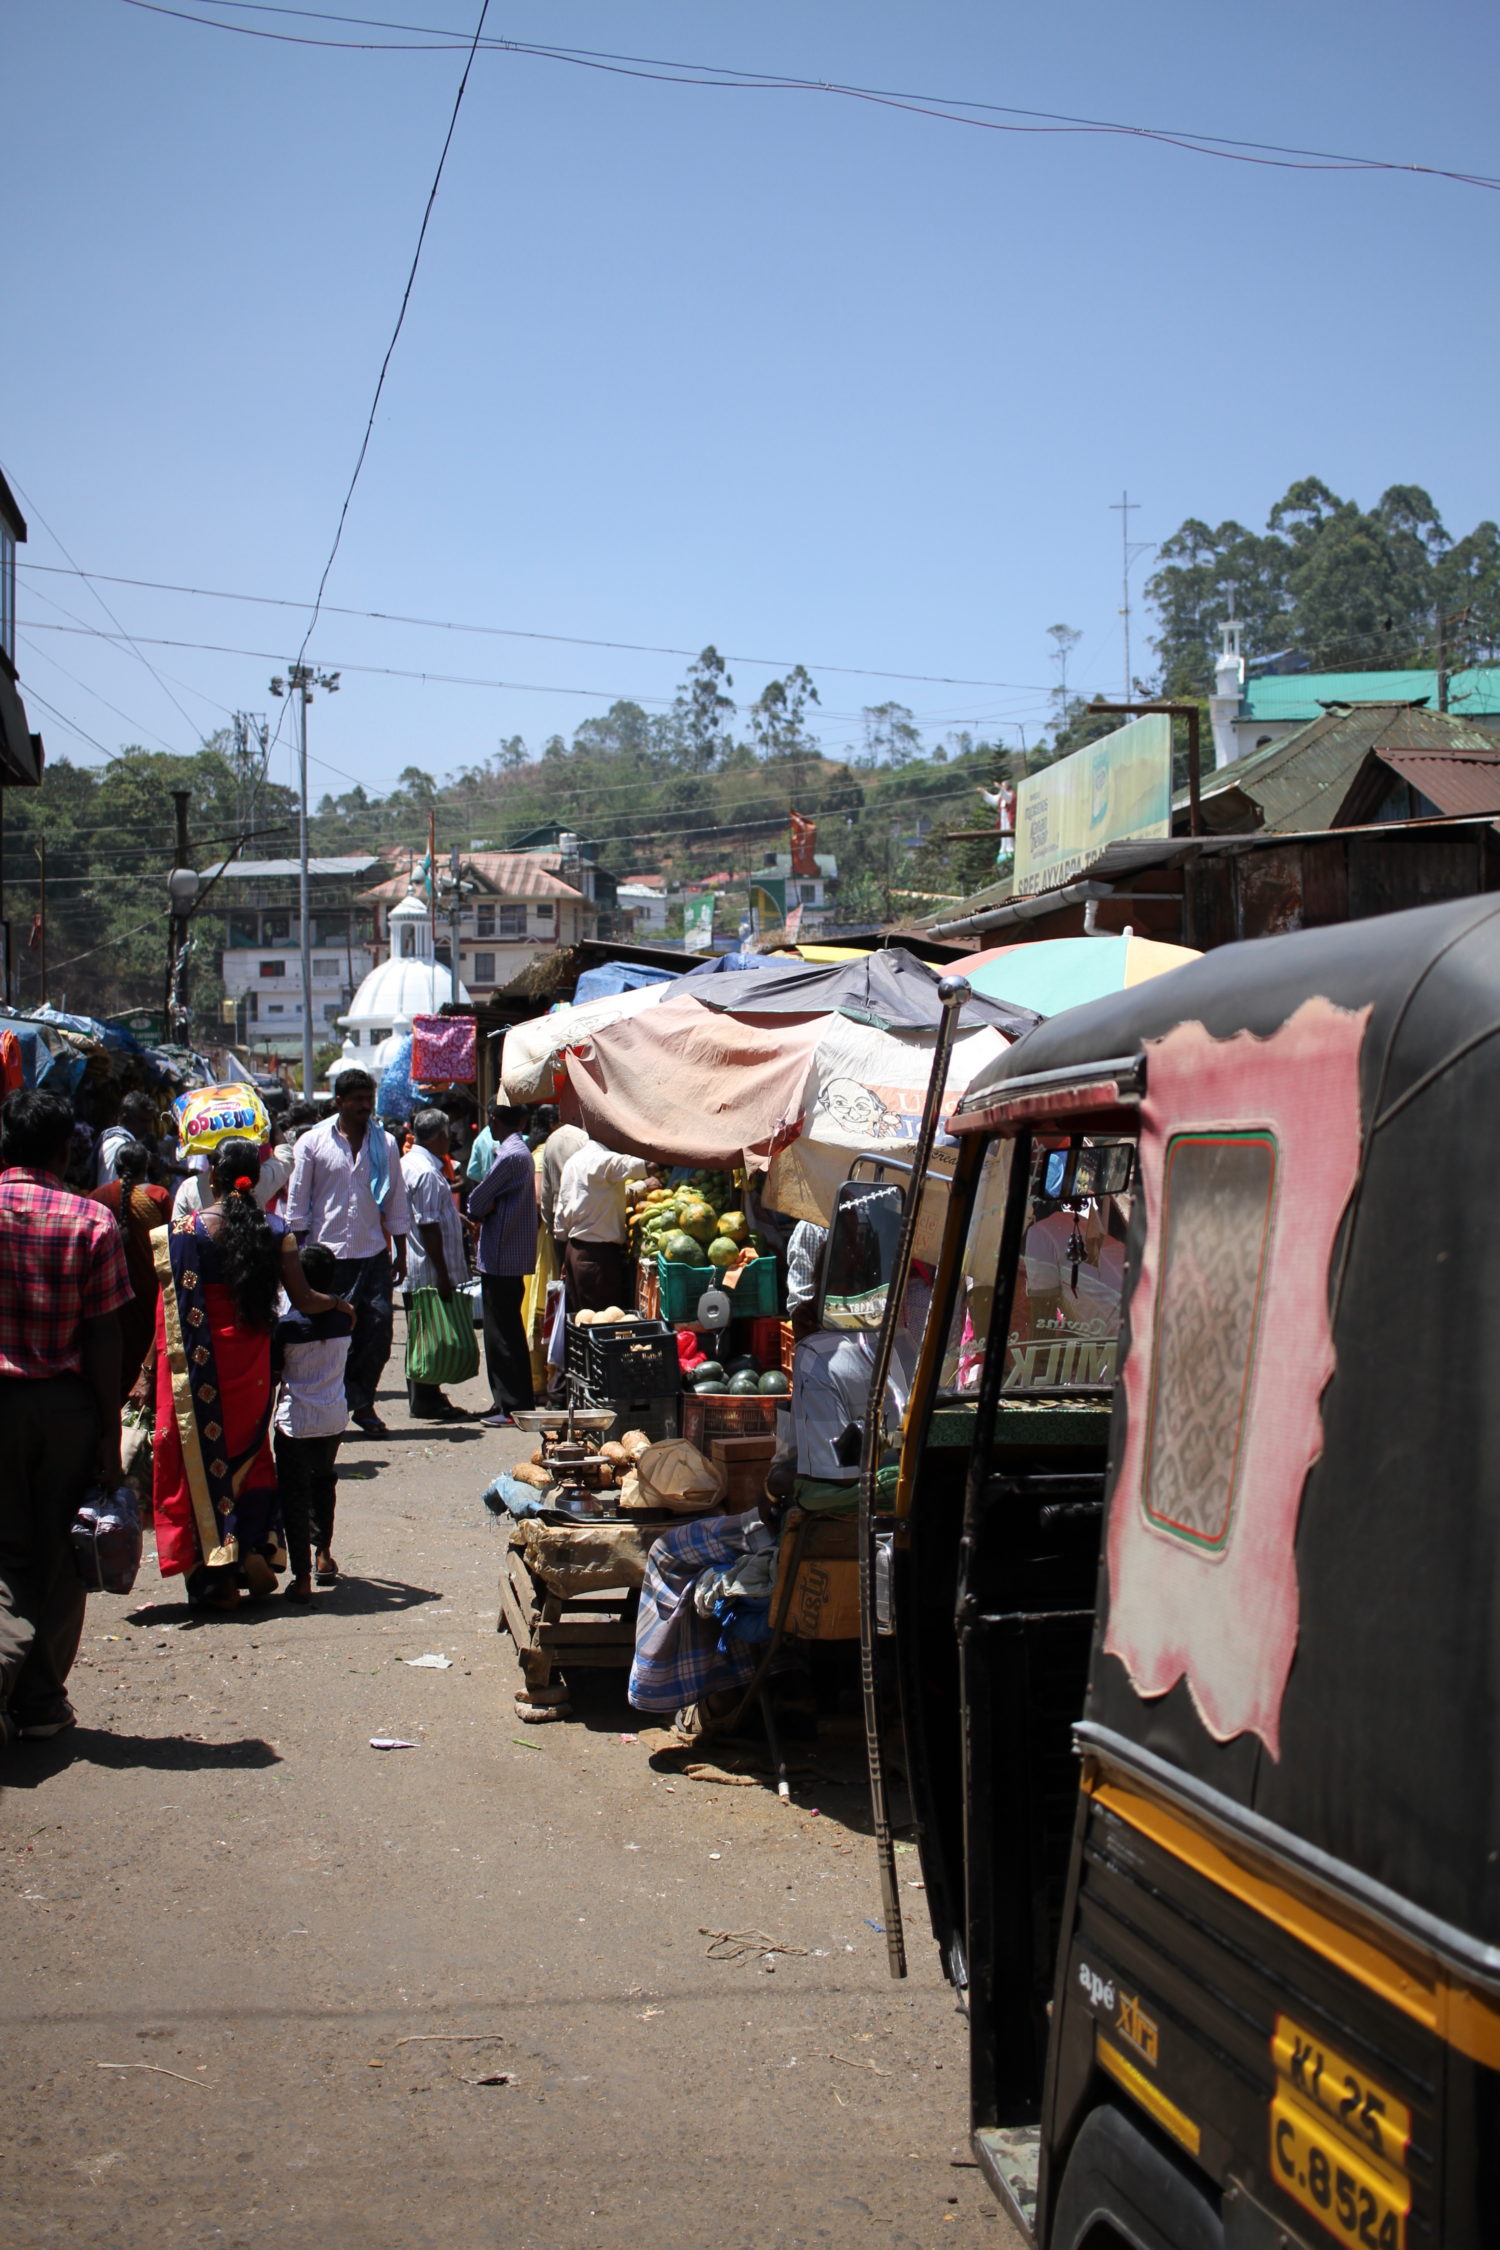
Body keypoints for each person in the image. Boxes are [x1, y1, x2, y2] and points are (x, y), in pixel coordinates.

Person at [153, 1139, 349, 1611]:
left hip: (201, 1367)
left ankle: (216, 1574)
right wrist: (340, 1305)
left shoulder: (182, 1231)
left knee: (198, 1460)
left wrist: (146, 1374)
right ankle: (254, 1548)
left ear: (213, 1177)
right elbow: (303, 1300)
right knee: (250, 1454)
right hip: (253, 1364)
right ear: (257, 1180)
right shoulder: (276, 1230)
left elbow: (167, 1313)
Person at [0, 1090, 132, 1742]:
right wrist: (111, 1437)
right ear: (65, 1150)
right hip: (66, 1409)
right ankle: (39, 1701)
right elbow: (105, 1337)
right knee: (58, 1557)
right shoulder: (91, 1222)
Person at [284, 1068, 410, 1436]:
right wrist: (297, 1258)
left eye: (368, 1098)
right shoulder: (312, 1142)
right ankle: (331, 1404)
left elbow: (395, 1199)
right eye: (356, 1099)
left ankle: (363, 1402)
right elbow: (297, 1204)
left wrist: (400, 1252)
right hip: (325, 1257)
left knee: (377, 1332)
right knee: (330, 1335)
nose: (364, 1106)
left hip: (372, 1253)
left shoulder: (384, 1144)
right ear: (338, 1102)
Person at [272, 1241, 354, 1604]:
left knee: (294, 1493)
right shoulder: (345, 1319)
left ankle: (301, 1577)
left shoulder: (285, 1327)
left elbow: (275, 1373)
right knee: (324, 1481)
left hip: (295, 1420)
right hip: (333, 1416)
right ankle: (323, 1553)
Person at [466, 1105, 538, 1430]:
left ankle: (511, 1405)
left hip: (501, 1256)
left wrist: (484, 1208)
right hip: (507, 1255)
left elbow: (478, 1200)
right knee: (506, 1331)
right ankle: (512, 1402)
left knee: (502, 1334)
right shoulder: (516, 1152)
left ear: (496, 1120)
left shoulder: (511, 1154)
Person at [401, 1107, 470, 1421]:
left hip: (419, 1266)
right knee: (431, 1337)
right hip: (427, 1269)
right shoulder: (426, 1171)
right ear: (440, 1136)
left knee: (422, 1336)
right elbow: (428, 1224)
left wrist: (457, 1219)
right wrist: (443, 1273)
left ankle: (425, 1396)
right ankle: (427, 1399)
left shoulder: (410, 1164)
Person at [89, 1138, 171, 1399]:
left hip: (112, 1293)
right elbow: (171, 1248)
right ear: (145, 1165)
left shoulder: (97, 1197)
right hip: (151, 1292)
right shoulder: (158, 1196)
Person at [552, 1136, 645, 1316]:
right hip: (596, 1256)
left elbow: (563, 1211)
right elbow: (646, 1165)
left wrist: (563, 1256)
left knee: (582, 1318)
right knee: (601, 1320)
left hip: (574, 1250)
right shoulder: (604, 1159)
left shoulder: (574, 1161)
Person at [96, 1091, 160, 1186]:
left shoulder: (131, 1144)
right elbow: (107, 1189)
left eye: (149, 1121)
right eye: (142, 1121)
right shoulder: (117, 1144)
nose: (148, 1127)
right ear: (124, 1118)